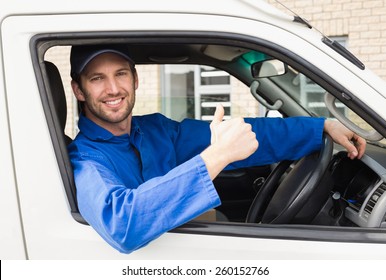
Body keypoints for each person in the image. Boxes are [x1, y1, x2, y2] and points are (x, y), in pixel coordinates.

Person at [67, 44, 366, 254]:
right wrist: (216, 157)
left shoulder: (157, 130)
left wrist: (319, 128)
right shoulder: (85, 159)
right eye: (97, 79)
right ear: (79, 90)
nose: (113, 89)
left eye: (120, 74)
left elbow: (244, 133)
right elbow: (123, 223)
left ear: (135, 79)